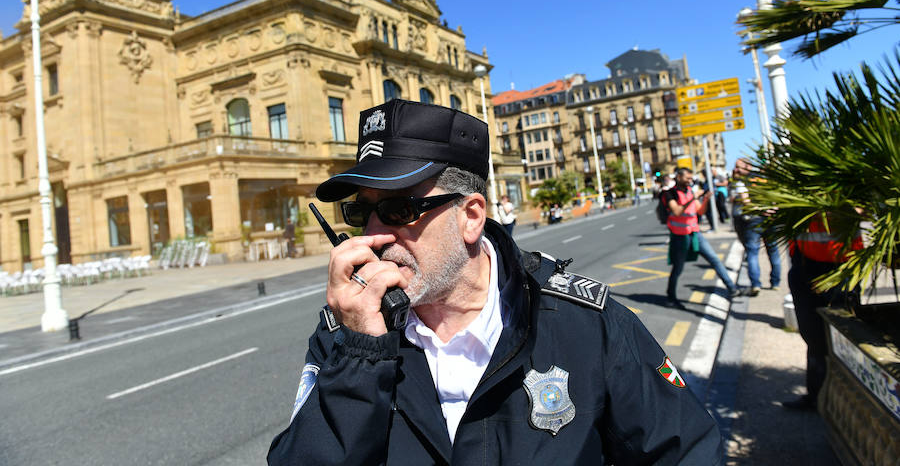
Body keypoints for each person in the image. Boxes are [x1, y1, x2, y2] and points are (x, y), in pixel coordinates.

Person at [268, 99, 724, 465]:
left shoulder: (586, 325)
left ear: (470, 217)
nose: (373, 236)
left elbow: (686, 450)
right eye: (358, 212)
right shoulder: (345, 335)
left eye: (398, 209)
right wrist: (362, 359)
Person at [784, 214, 862, 410]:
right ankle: (817, 396)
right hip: (804, 266)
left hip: (841, 269)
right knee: (813, 336)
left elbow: (865, 209)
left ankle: (849, 400)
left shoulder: (849, 186)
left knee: (845, 337)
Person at [664, 167, 743, 310]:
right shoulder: (670, 193)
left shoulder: (690, 191)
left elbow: (700, 211)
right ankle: (671, 297)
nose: (690, 180)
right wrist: (693, 198)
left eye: (691, 178)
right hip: (680, 236)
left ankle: (732, 288)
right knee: (678, 268)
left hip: (695, 233)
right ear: (679, 177)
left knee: (714, 259)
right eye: (687, 178)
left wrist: (705, 199)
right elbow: (676, 211)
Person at [731, 158, 781, 296]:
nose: (736, 169)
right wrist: (772, 210)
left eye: (739, 167)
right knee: (773, 250)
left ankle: (756, 284)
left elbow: (746, 202)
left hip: (753, 220)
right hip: (769, 219)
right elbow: (776, 198)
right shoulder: (765, 179)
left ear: (748, 167)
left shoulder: (742, 182)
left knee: (752, 253)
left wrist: (760, 210)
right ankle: (775, 283)